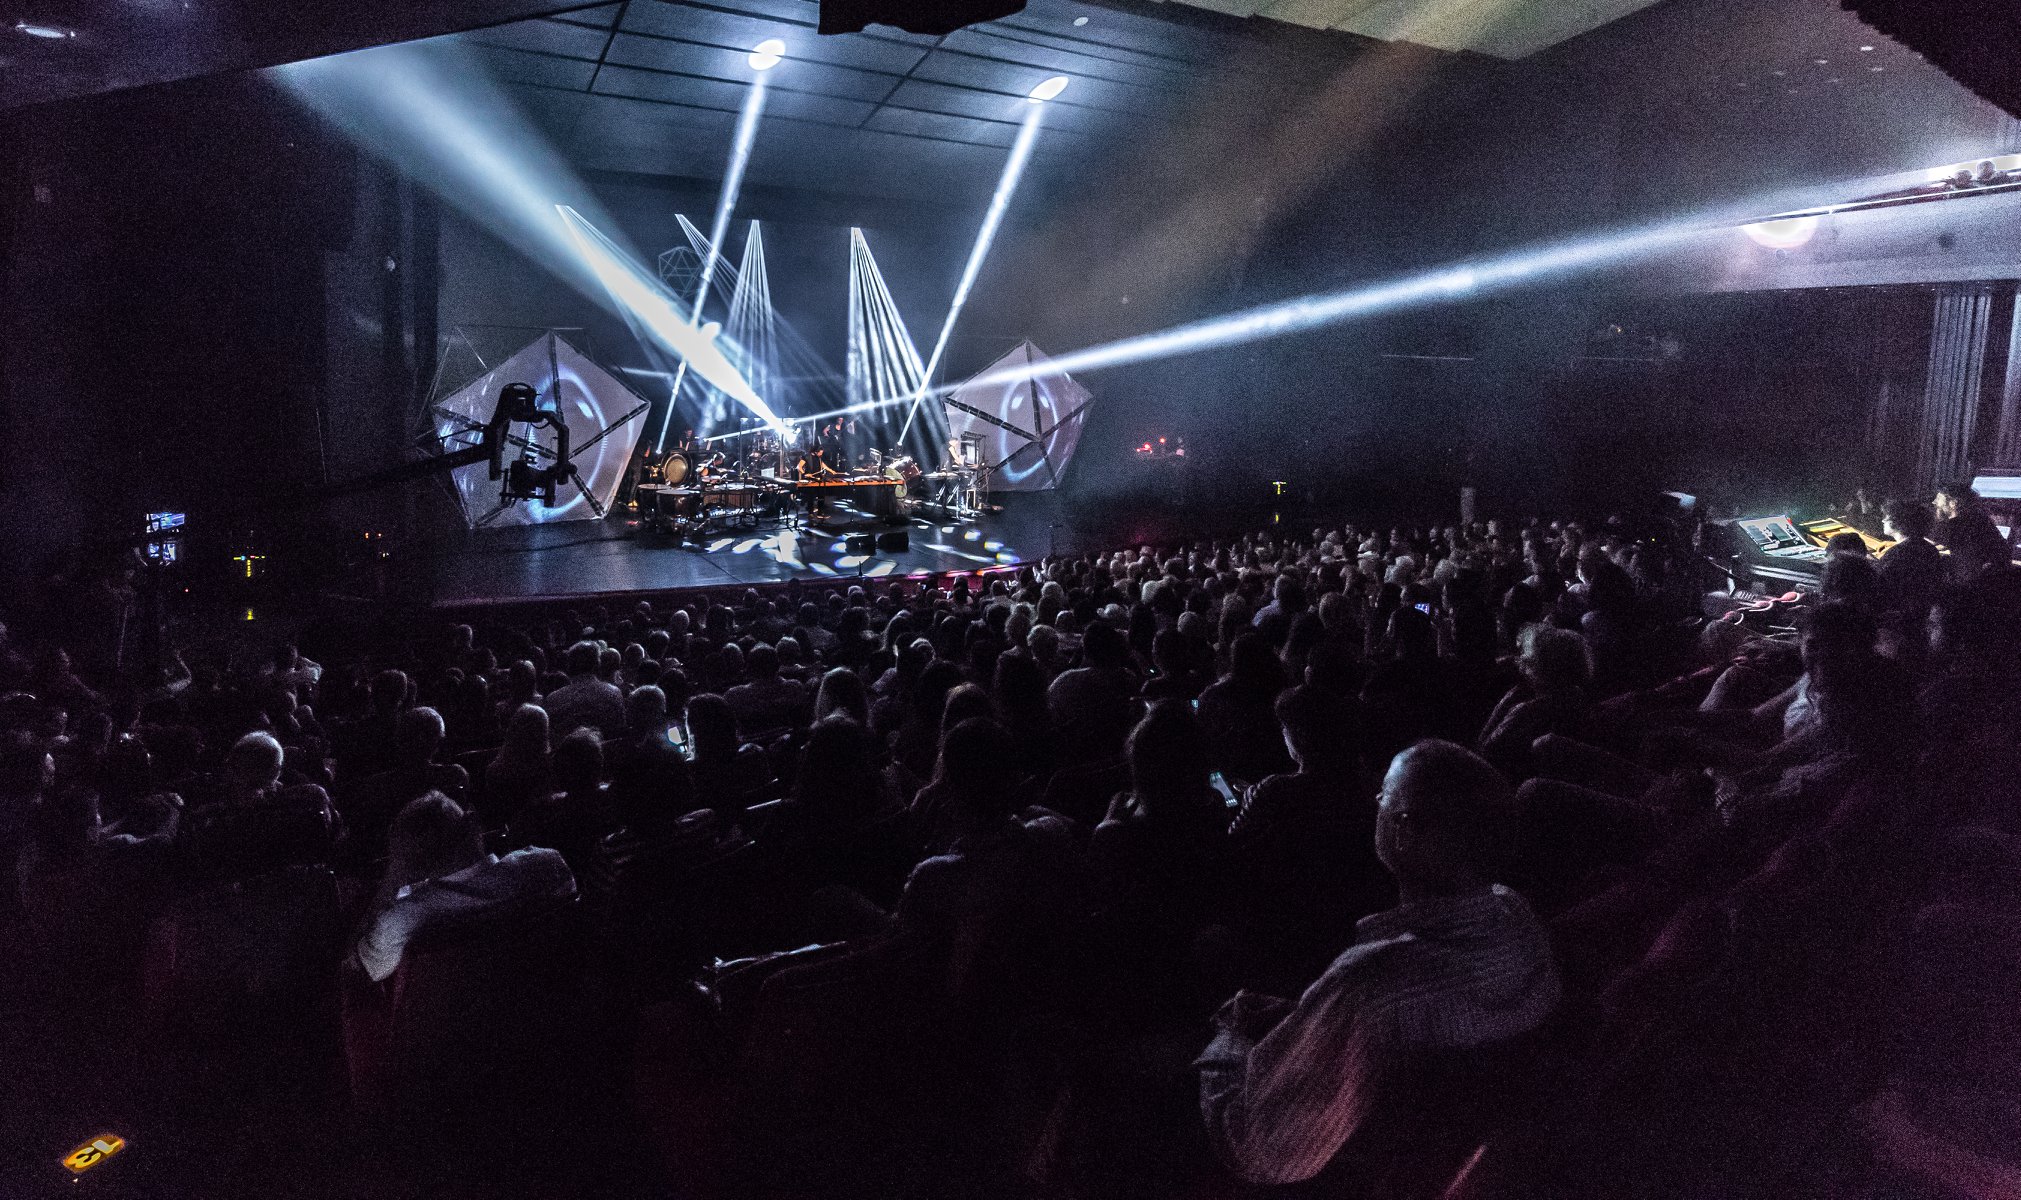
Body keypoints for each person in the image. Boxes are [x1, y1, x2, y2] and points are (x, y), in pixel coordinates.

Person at [1196, 740, 1560, 1185]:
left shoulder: (1370, 987)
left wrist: (1229, 1036)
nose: (1375, 799)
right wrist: (1307, 1017)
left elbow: (1259, 1149)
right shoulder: (1516, 914)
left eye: (1384, 793)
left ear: (1403, 831)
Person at [355, 792, 576, 983]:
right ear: (472, 827)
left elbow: (355, 971)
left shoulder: (400, 920)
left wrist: (393, 875)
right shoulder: (547, 865)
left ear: (411, 859)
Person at [1879, 497, 1946, 626]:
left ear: (1898, 522)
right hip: (1921, 616)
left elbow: (1880, 584)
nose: (1882, 520)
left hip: (1898, 619)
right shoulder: (1930, 549)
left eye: (1886, 518)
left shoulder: (1897, 553)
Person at [542, 640, 626, 739]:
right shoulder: (613, 693)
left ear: (569, 665)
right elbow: (619, 734)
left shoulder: (554, 699)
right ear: (598, 664)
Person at [1935, 481, 2010, 581]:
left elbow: (1967, 568)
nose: (1935, 502)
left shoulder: (1958, 525)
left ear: (1953, 503)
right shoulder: (1979, 519)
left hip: (1975, 583)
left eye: (1939, 499)